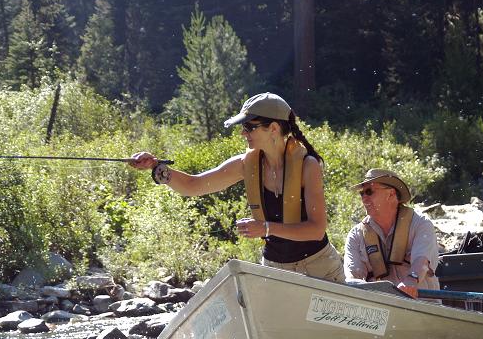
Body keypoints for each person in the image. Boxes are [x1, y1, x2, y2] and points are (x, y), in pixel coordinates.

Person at [129, 92, 345, 282]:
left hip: (319, 268)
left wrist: (266, 228)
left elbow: (316, 230)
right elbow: (193, 186)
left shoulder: (309, 165)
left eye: (249, 127)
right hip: (275, 270)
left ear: (273, 128)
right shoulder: (245, 164)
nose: (243, 133)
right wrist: (157, 167)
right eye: (243, 127)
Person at [343, 169, 440, 298]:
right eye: (362, 194)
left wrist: (411, 280)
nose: (364, 198)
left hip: (422, 306)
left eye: (369, 192)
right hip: (378, 310)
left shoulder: (421, 224)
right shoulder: (356, 235)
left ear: (391, 194)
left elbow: (421, 261)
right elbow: (352, 277)